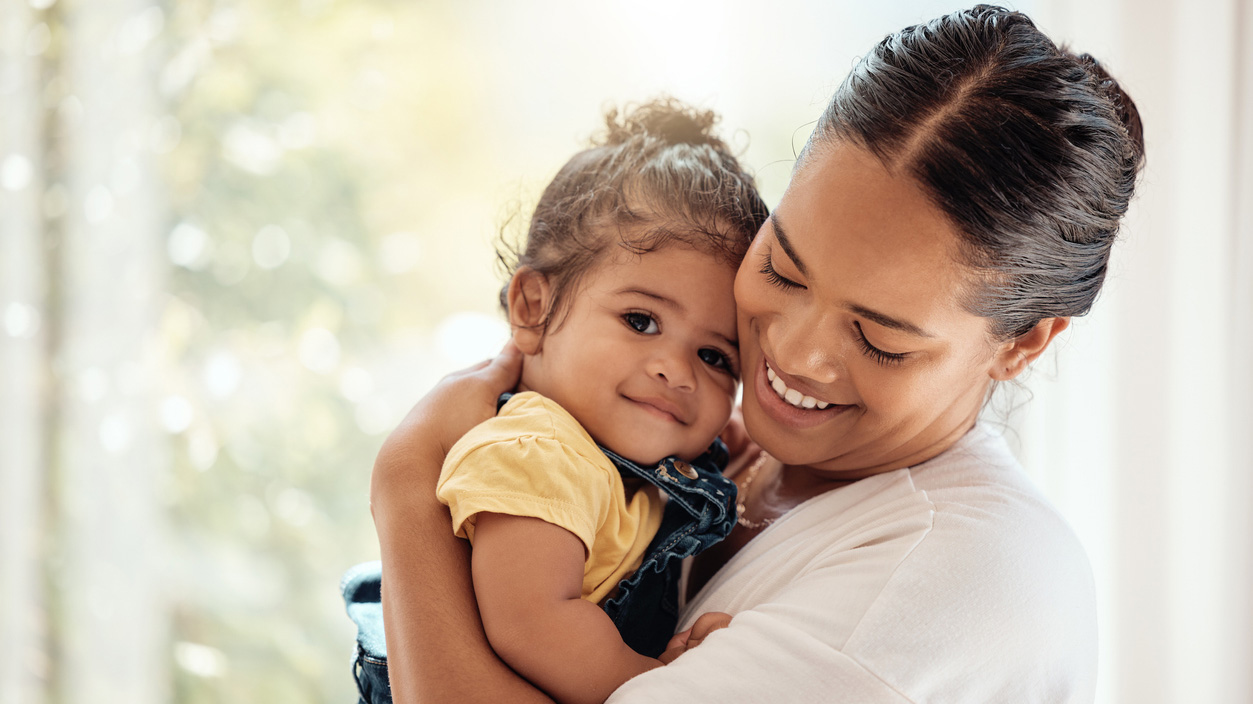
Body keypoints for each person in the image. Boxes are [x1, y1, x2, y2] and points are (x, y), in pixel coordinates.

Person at [368, 5, 1145, 702]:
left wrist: (407, 488)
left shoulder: (949, 589)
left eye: (877, 338)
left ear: (1022, 342)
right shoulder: (728, 460)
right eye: (781, 266)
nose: (794, 354)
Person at [346, 100, 769, 704]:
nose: (676, 371)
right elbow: (534, 623)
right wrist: (657, 686)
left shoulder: (617, 448)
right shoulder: (539, 452)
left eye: (715, 357)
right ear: (533, 309)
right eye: (641, 320)